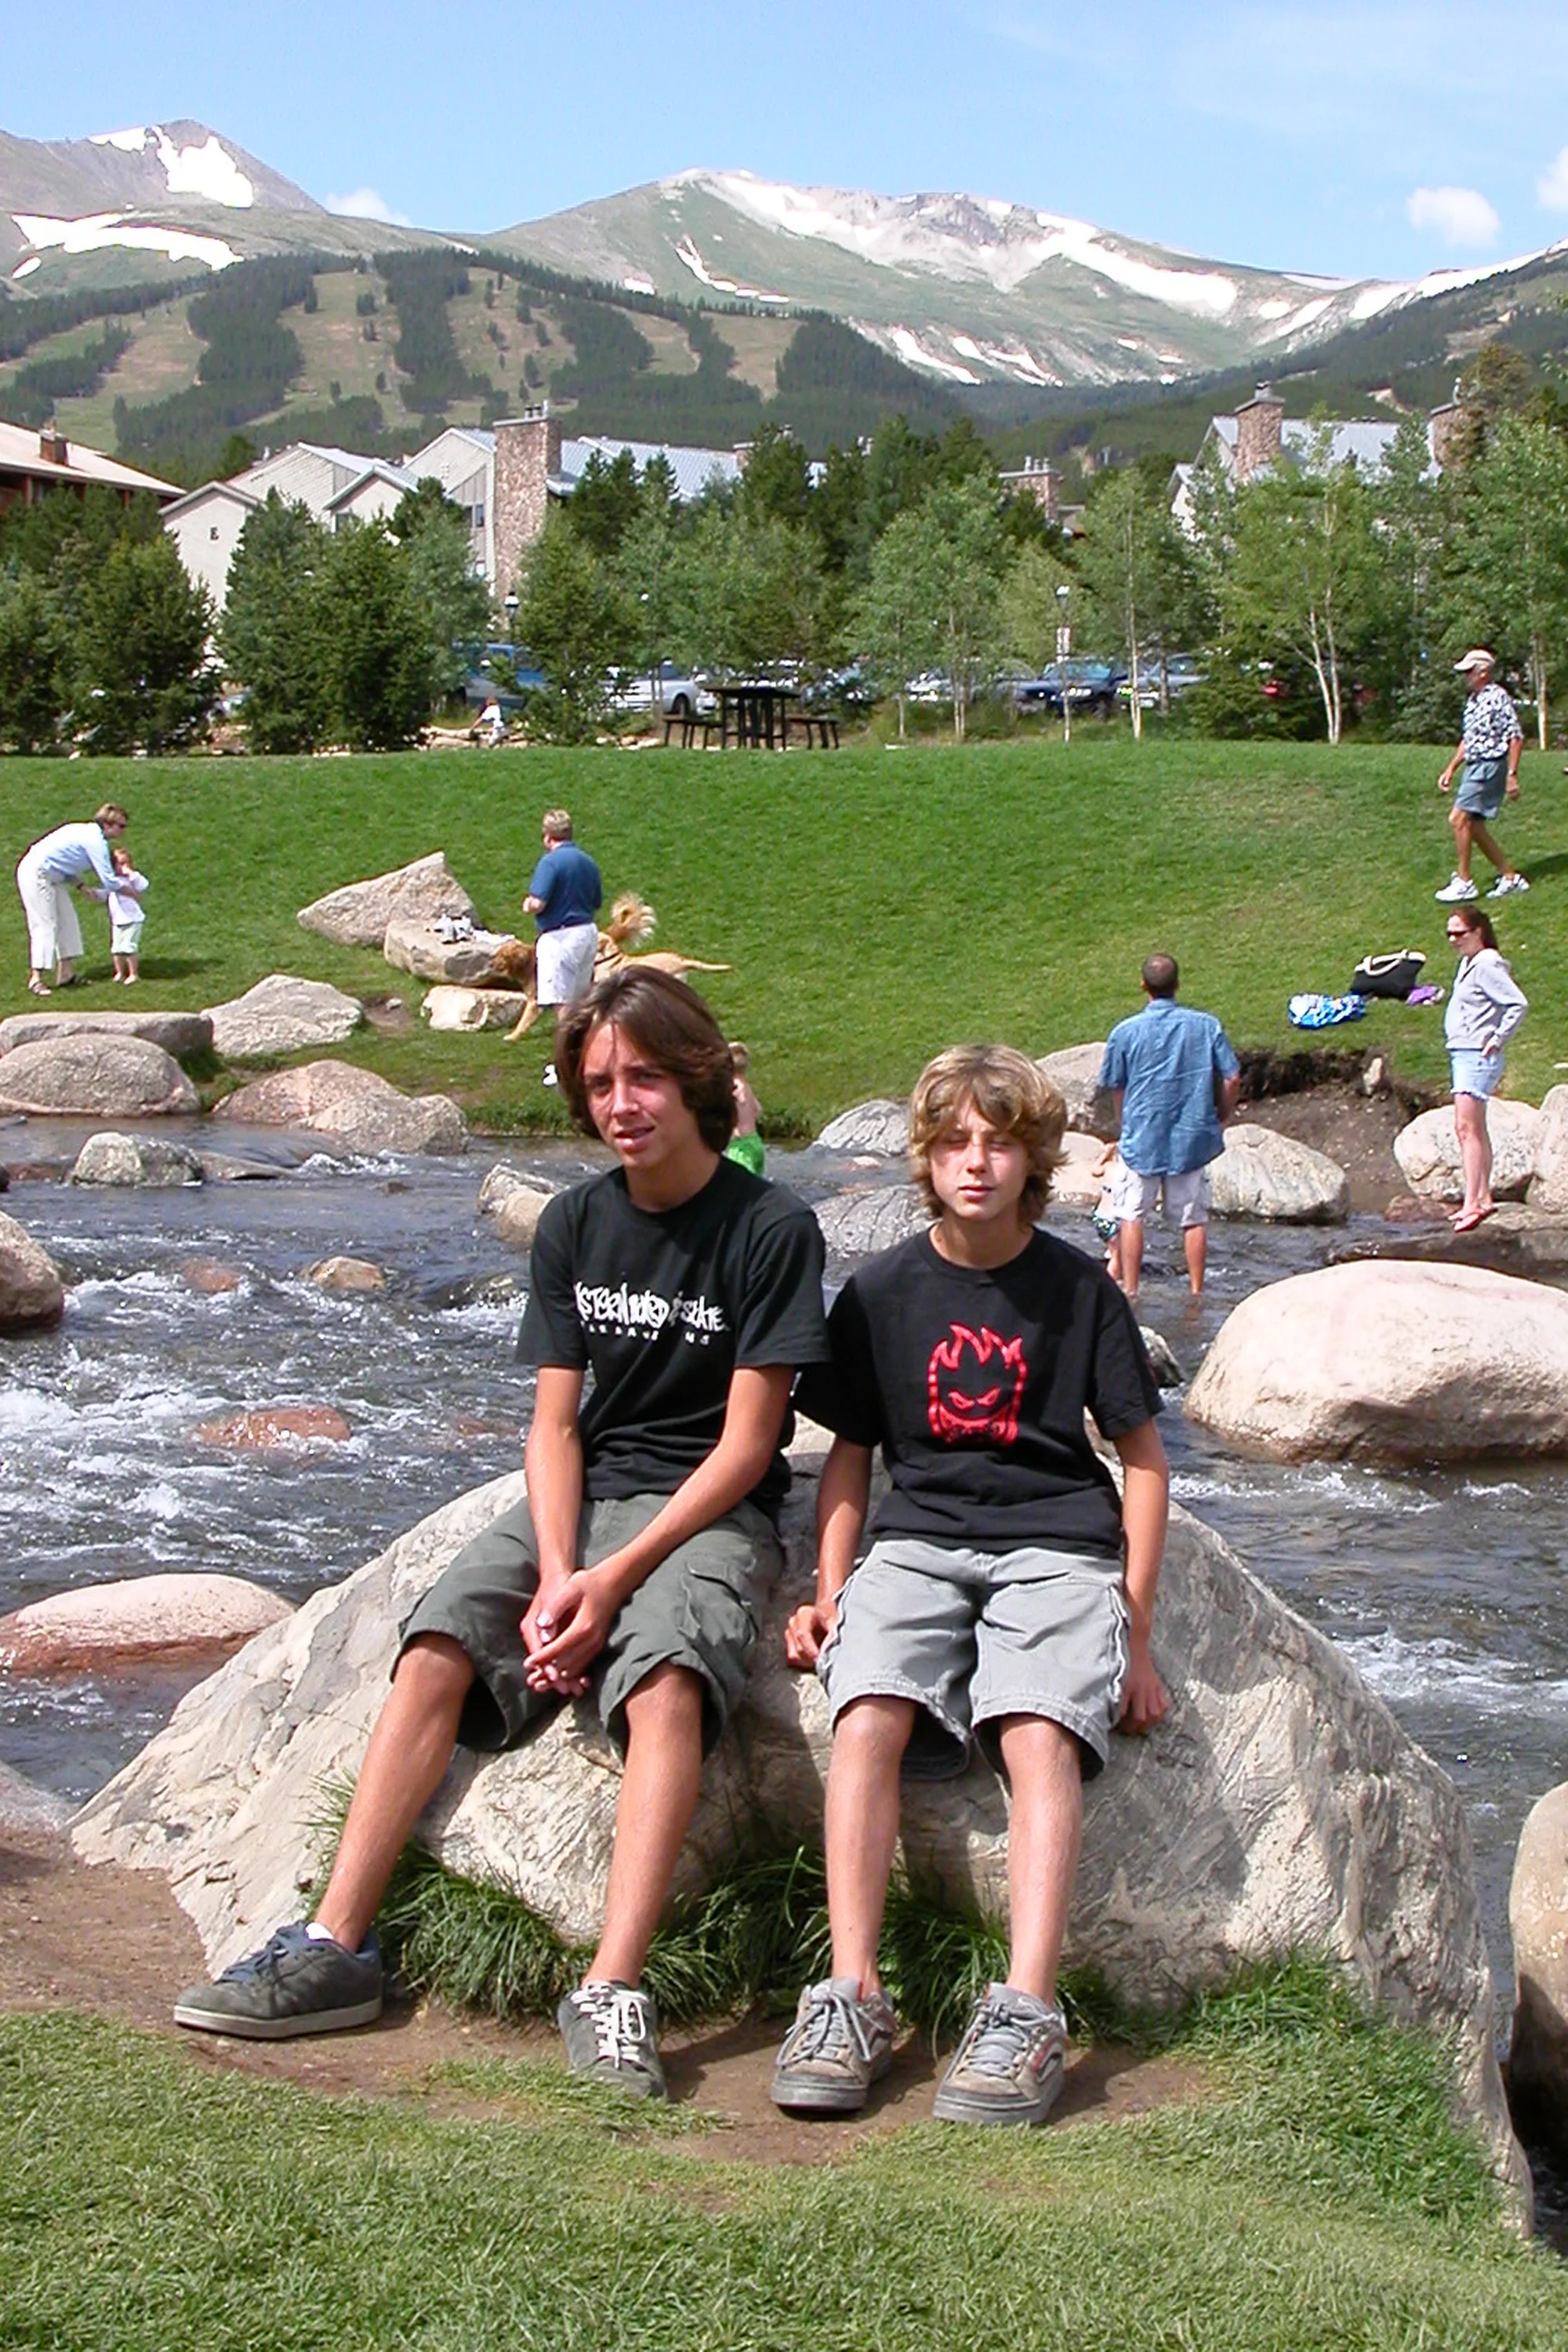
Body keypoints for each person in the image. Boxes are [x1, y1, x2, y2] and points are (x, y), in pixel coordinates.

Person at [173, 967, 831, 2095]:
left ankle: (612, 1987)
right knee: (437, 1642)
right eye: (600, 1084)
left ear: (696, 1081)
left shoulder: (770, 1227)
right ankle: (336, 1945)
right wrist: (560, 1570)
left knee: (668, 1681)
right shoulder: (575, 1222)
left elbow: (746, 1447)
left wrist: (611, 1584)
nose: (622, 1104)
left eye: (644, 1079)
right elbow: (553, 1425)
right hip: (583, 1499)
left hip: (708, 1513)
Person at [771, 1046, 1168, 2127]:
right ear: (926, 1157)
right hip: (917, 1542)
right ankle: (851, 1995)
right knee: (867, 1711)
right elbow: (849, 1457)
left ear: (1034, 1159)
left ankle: (1027, 2010)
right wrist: (830, 1590)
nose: (976, 1162)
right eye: (953, 1142)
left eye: (998, 1143)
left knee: (1038, 1731)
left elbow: (1142, 1463)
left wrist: (1134, 1633)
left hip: (1056, 1545)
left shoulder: (1080, 1291)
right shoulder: (880, 1292)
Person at [1096, 954, 1241, 1304]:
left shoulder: (1125, 1031)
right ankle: (1196, 1293)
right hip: (1191, 1136)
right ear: (1177, 985)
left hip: (1141, 1136)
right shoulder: (1206, 1026)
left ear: (1143, 985)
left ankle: (1131, 1290)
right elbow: (1233, 1076)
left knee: (1131, 1215)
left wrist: (1124, 1123)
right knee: (1193, 1219)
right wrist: (1222, 1116)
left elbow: (1116, 1085)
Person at [1443, 906, 1527, 1232]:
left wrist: (1498, 1037)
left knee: (1465, 1128)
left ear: (1478, 932)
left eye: (1460, 933)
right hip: (1462, 1052)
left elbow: (1517, 1003)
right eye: (1449, 934)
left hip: (1475, 1055)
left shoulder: (1487, 965)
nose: (1454, 939)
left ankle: (1472, 1205)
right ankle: (1482, 1195)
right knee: (1474, 1128)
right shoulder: (1468, 963)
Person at [1436, 650, 1528, 903]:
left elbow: (1515, 736)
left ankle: (1465, 882)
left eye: (1469, 671)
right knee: (1474, 826)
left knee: (1458, 819)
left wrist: (1512, 774)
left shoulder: (1498, 697)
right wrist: (1451, 768)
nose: (1466, 677)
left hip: (1490, 766)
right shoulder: (1473, 701)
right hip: (1474, 766)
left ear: (1484, 672)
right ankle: (1510, 877)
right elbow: (1469, 740)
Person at [15, 804, 129, 995]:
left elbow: (61, 862)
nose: (123, 831)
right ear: (107, 824)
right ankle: (36, 979)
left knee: (68, 921)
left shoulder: (86, 832)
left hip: (54, 875)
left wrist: (80, 885)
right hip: (35, 873)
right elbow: (108, 879)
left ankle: (66, 974)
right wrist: (131, 890)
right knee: (45, 924)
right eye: (121, 826)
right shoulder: (95, 841)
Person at [523, 808, 602, 1071]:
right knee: (581, 1002)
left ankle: (570, 1064)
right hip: (587, 933)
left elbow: (539, 902)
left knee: (563, 1006)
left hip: (560, 938)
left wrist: (528, 905)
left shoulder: (550, 863)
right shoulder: (588, 862)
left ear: (548, 837)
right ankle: (590, 1055)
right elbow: (597, 902)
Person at [86, 844, 150, 985]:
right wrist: (94, 893)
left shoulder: (131, 879)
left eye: (126, 863)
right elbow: (105, 894)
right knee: (117, 949)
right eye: (120, 864)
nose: (123, 867)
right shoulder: (112, 881)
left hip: (132, 919)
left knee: (129, 947)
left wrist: (131, 873)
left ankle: (133, 974)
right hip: (117, 921)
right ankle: (119, 973)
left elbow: (143, 885)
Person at [723, 1041, 764, 1178]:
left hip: (741, 1145)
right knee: (755, 1183)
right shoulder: (746, 1086)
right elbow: (758, 1110)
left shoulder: (734, 1088)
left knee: (738, 1183)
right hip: (755, 1142)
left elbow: (740, 1101)